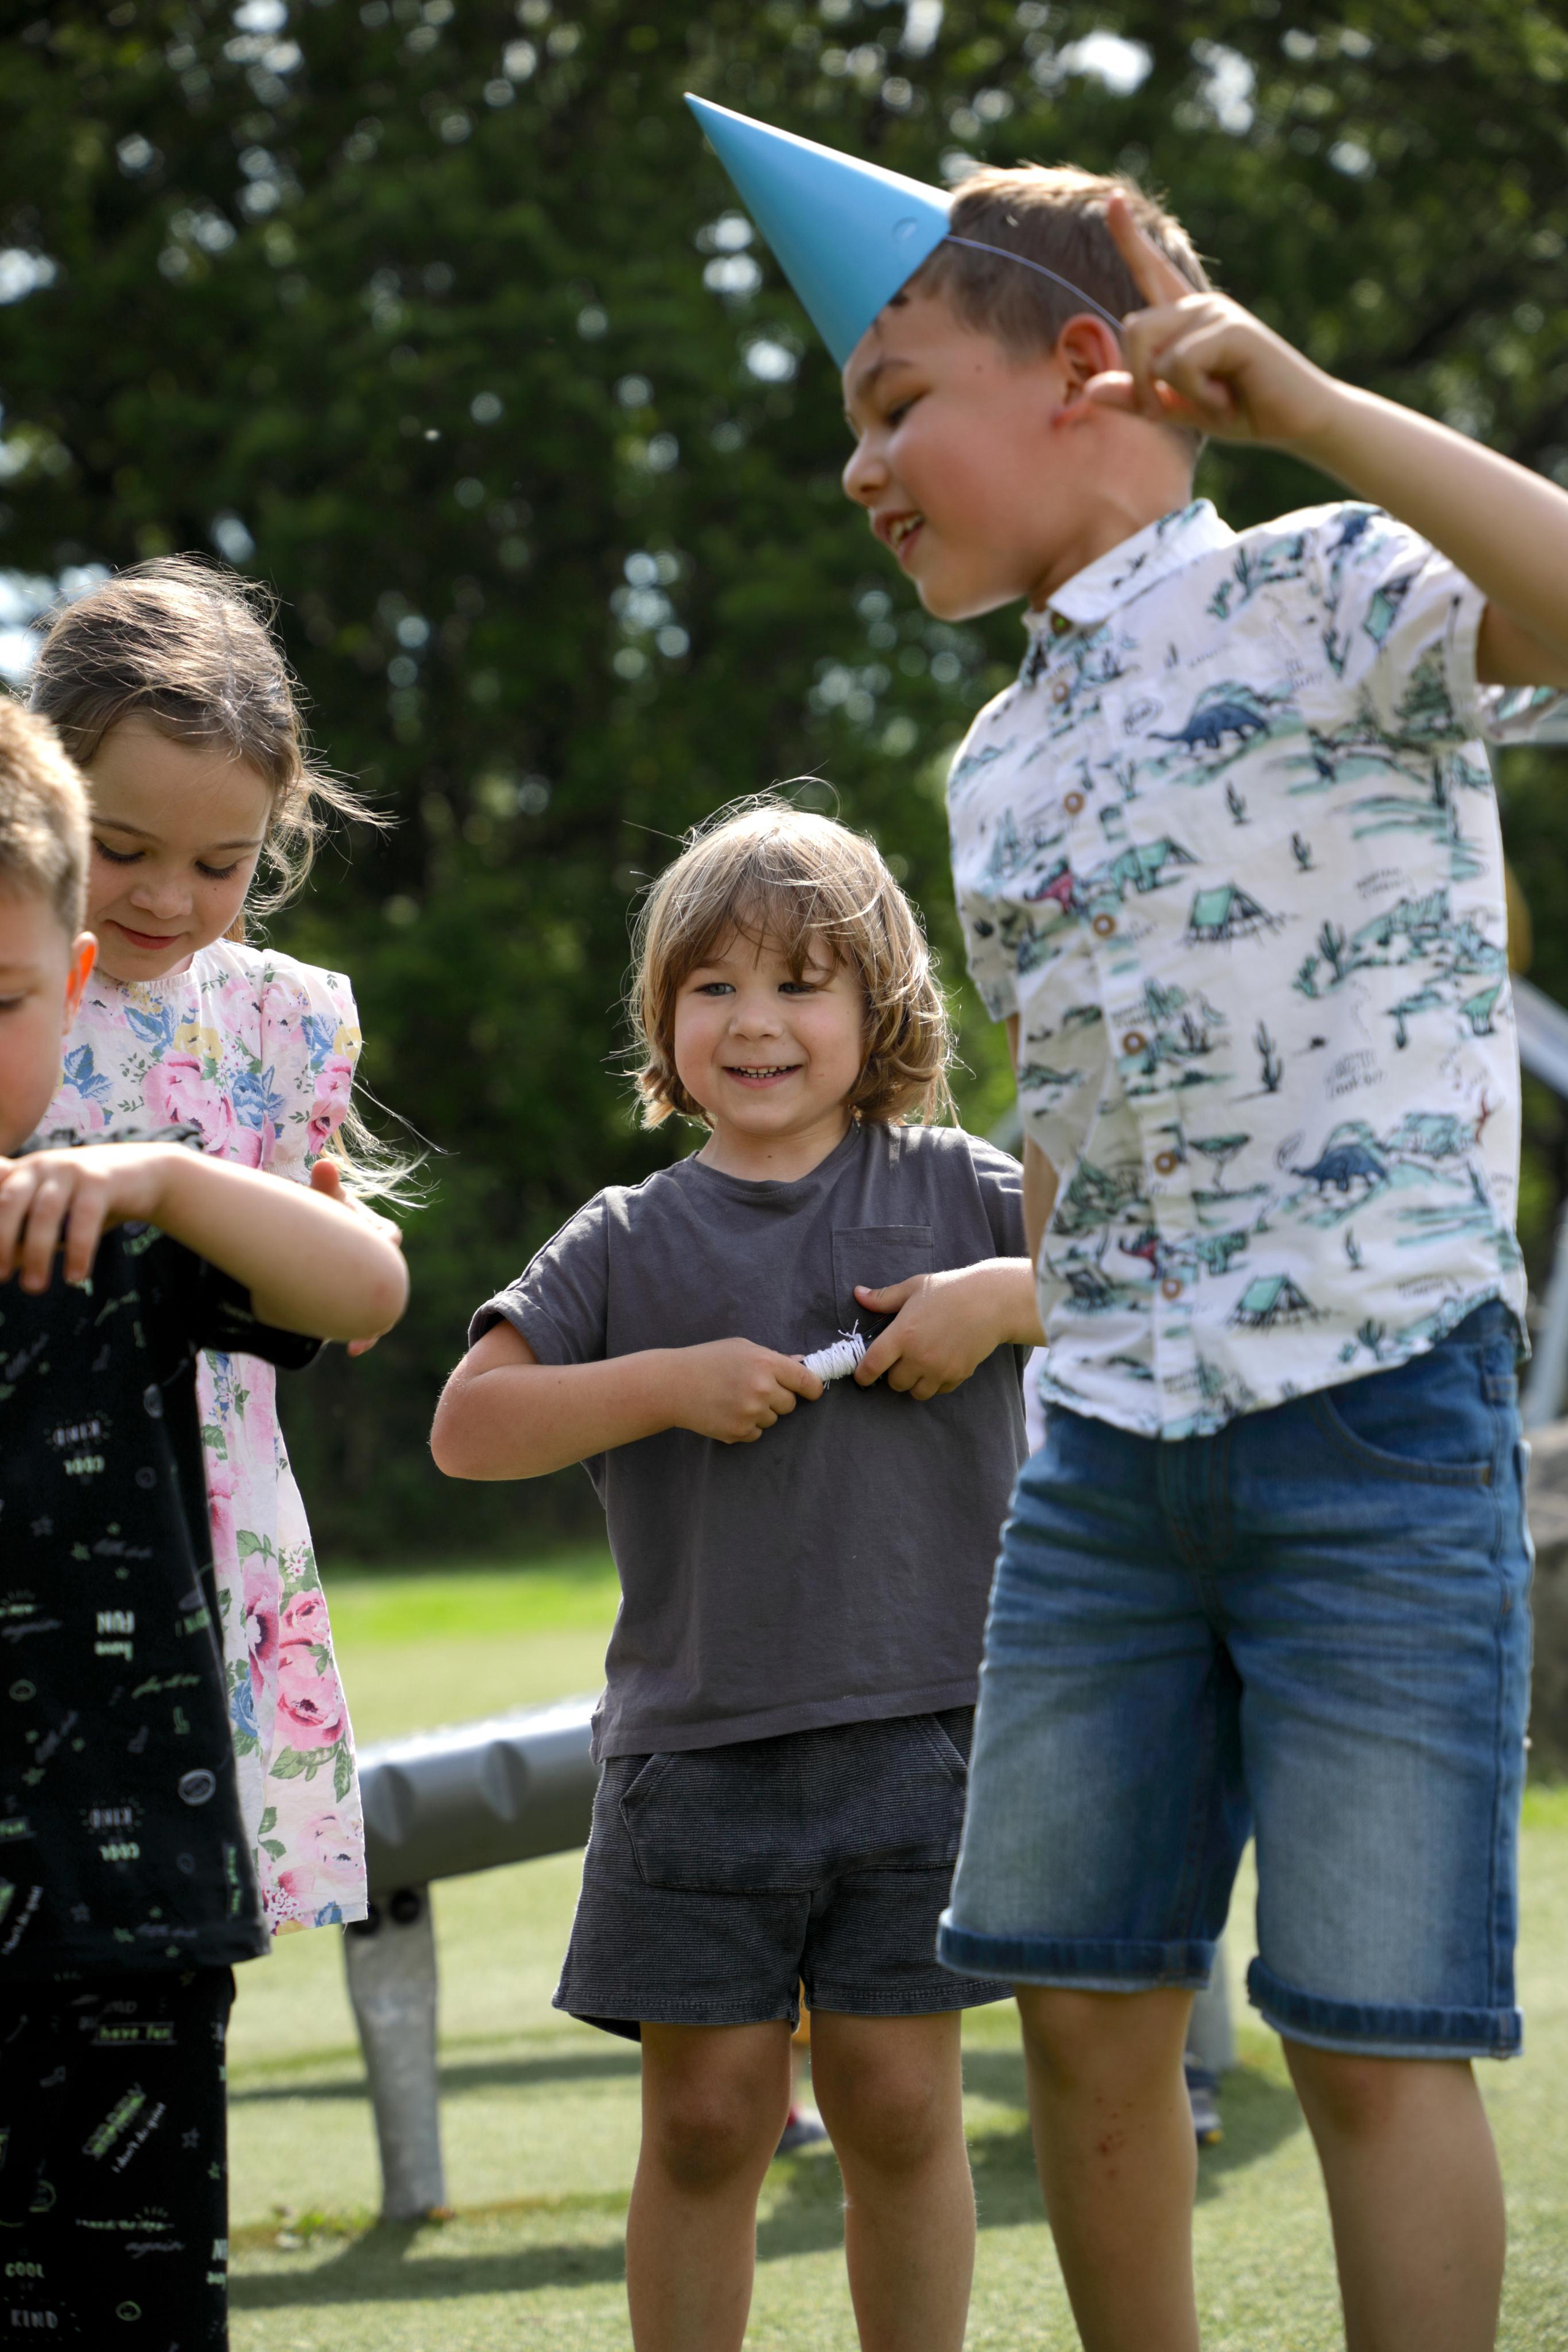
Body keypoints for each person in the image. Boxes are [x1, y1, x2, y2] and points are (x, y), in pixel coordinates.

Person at [690, 104, 1568, 2351]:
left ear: (1092, 370)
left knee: (1375, 2026)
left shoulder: (1330, 581)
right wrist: (1031, 1285)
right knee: (1081, 2008)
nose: (858, 471)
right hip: (1105, 1449)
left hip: (1375, 1409)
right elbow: (1070, 1112)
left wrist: (1306, 405)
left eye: (897, 410)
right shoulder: (993, 767)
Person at [432, 801, 1043, 2352]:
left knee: (900, 2109)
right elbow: (469, 1428)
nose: (755, 1021)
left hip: (933, 1740)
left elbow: (1133, 1284)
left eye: (800, 983)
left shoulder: (962, 1191)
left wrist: (995, 1300)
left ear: (878, 1008)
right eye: (712, 987)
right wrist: (664, 1383)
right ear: (663, 1020)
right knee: (707, 2121)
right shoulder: (621, 1240)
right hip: (693, 1760)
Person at [0, 697, 408, 2342]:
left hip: (125, 1902)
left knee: (138, 2297)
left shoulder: (89, 1216)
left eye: (5, 1001)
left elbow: (366, 1285)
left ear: (71, 987)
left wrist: (165, 1176)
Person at [26, 557, 407, 1939]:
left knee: (164, 1952)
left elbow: (340, 1293)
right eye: (121, 849)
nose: (168, 899)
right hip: (30, 1522)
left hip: (199, 1532)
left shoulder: (276, 1026)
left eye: (221, 864)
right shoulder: (14, 992)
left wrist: (283, 1222)